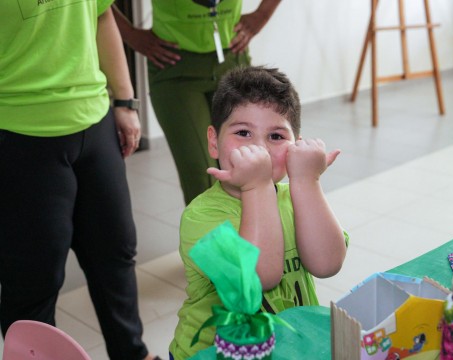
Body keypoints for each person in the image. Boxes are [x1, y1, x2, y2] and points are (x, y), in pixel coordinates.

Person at [0, 3, 160, 360]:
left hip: (94, 119)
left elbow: (102, 14)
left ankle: (132, 354)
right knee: (33, 278)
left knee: (115, 253)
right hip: (19, 130)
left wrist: (124, 100)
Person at [169, 66, 349, 359]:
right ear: (214, 141)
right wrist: (257, 185)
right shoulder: (200, 217)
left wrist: (307, 180)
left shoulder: (298, 196)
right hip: (216, 352)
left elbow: (327, 264)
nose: (259, 149)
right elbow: (259, 279)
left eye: (276, 136)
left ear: (296, 145)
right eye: (243, 132)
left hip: (290, 347)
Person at [112, 0, 281, 205]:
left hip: (233, 60)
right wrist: (129, 34)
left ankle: (252, 235)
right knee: (202, 178)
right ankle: (214, 237)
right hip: (174, 65)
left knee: (247, 168)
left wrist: (262, 15)